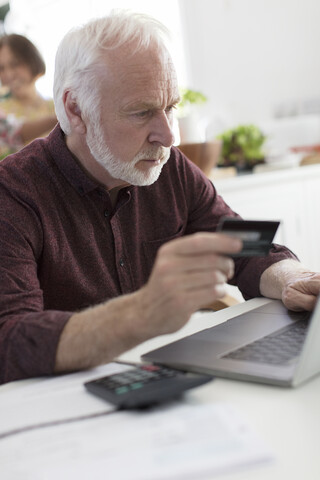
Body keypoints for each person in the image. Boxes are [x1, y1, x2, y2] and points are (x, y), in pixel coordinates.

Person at [0, 11, 319, 385]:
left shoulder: (167, 166)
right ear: (75, 108)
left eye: (170, 107)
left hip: (157, 387)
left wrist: (294, 278)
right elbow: (10, 340)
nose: (169, 136)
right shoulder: (14, 193)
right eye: (142, 112)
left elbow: (244, 242)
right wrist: (142, 313)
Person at [0, 33, 55, 140]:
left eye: (15, 64)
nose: (9, 74)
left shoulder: (57, 106)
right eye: (1, 68)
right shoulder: (2, 109)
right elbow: (17, 133)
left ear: (32, 61)